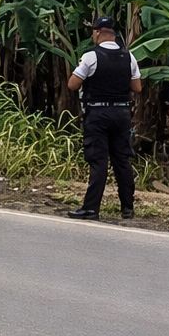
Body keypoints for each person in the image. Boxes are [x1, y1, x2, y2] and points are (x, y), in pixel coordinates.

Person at [66, 16, 141, 220]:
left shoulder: (91, 56)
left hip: (98, 113)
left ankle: (91, 208)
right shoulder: (129, 57)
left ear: (97, 32)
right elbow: (137, 87)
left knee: (99, 161)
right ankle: (127, 207)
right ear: (113, 34)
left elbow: (73, 84)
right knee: (122, 160)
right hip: (122, 113)